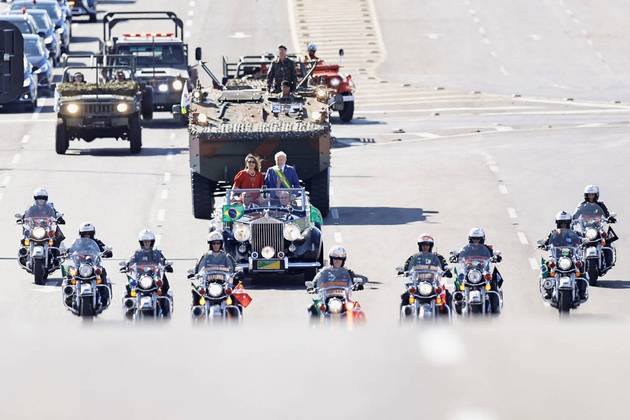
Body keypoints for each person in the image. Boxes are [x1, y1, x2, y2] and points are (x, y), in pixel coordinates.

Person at [451, 227, 503, 314]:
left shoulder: (487, 249)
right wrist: (455, 257)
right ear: (470, 239)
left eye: (478, 239)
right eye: (474, 239)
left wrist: (496, 257)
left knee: (493, 283)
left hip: (483, 273)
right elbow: (459, 254)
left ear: (482, 239)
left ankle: (496, 305)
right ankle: (458, 301)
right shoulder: (465, 249)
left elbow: (494, 254)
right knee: (458, 281)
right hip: (469, 273)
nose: (476, 241)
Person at [123, 229, 173, 316]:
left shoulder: (157, 253)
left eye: (148, 242)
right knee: (129, 286)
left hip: (154, 278)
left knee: (164, 288)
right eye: (144, 242)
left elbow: (163, 261)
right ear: (141, 243)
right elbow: (130, 260)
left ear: (152, 242)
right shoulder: (137, 253)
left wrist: (167, 265)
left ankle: (165, 311)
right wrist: (126, 265)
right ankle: (129, 309)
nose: (146, 243)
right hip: (140, 278)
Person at [400, 234, 452, 313]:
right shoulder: (414, 257)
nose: (425, 247)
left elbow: (444, 265)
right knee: (405, 295)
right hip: (417, 283)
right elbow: (407, 265)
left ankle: (447, 320)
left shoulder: (437, 256)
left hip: (433, 282)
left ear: (430, 246)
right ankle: (404, 320)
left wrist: (446, 270)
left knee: (447, 295)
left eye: (427, 245)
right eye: (423, 245)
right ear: (420, 246)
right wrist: (404, 271)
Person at [538, 211, 586, 300]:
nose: (563, 225)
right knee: (547, 265)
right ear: (557, 223)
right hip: (557, 256)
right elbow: (548, 241)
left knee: (581, 265)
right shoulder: (553, 233)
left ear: (569, 223)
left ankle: (582, 292)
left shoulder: (575, 233)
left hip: (571, 257)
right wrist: (544, 244)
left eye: (565, 223)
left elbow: (581, 240)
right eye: (561, 223)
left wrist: (584, 242)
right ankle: (547, 290)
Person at [307, 245, 361, 316]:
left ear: (343, 260)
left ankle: (357, 326)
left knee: (357, 308)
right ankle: (315, 325)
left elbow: (354, 280)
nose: (337, 261)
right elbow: (316, 280)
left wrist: (358, 285)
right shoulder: (324, 271)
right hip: (326, 297)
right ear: (331, 259)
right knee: (314, 308)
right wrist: (312, 285)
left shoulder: (348, 272)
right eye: (335, 258)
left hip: (344, 297)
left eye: (340, 259)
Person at [18, 188, 66, 266]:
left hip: (45, 229)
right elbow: (26, 215)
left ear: (46, 199)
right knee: (26, 236)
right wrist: (22, 218)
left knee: (55, 236)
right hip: (34, 228)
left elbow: (55, 214)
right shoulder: (31, 208)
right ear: (35, 199)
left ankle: (56, 255)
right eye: (39, 198)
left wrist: (59, 218)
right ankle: (23, 253)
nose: (41, 200)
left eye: (43, 199)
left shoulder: (49, 208)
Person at [190, 231, 238, 306]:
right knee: (196, 291)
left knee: (235, 292)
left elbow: (233, 268)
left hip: (223, 283)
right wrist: (195, 273)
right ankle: (196, 313)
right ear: (210, 245)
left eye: (218, 243)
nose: (216, 245)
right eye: (214, 243)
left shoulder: (226, 256)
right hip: (208, 283)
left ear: (221, 244)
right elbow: (199, 269)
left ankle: (236, 313)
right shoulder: (205, 256)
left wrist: (237, 272)